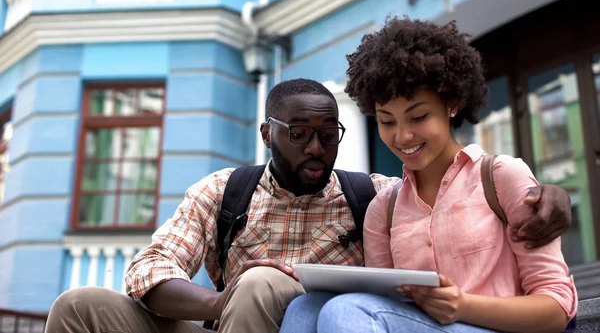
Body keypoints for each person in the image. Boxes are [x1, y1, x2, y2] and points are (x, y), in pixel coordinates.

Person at [45, 78, 572, 333]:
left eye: (328, 133)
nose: (316, 148)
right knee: (78, 305)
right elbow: (149, 269)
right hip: (219, 323)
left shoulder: (372, 195)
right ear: (266, 134)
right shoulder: (224, 190)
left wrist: (553, 193)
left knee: (264, 283)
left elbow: (455, 188)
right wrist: (215, 305)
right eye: (298, 134)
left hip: (302, 325)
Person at [280, 18, 578, 333]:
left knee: (346, 309)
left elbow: (556, 307)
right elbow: (384, 304)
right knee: (305, 306)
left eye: (418, 116)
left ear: (452, 105)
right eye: (387, 121)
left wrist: (463, 305)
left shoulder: (501, 176)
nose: (403, 136)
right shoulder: (384, 209)